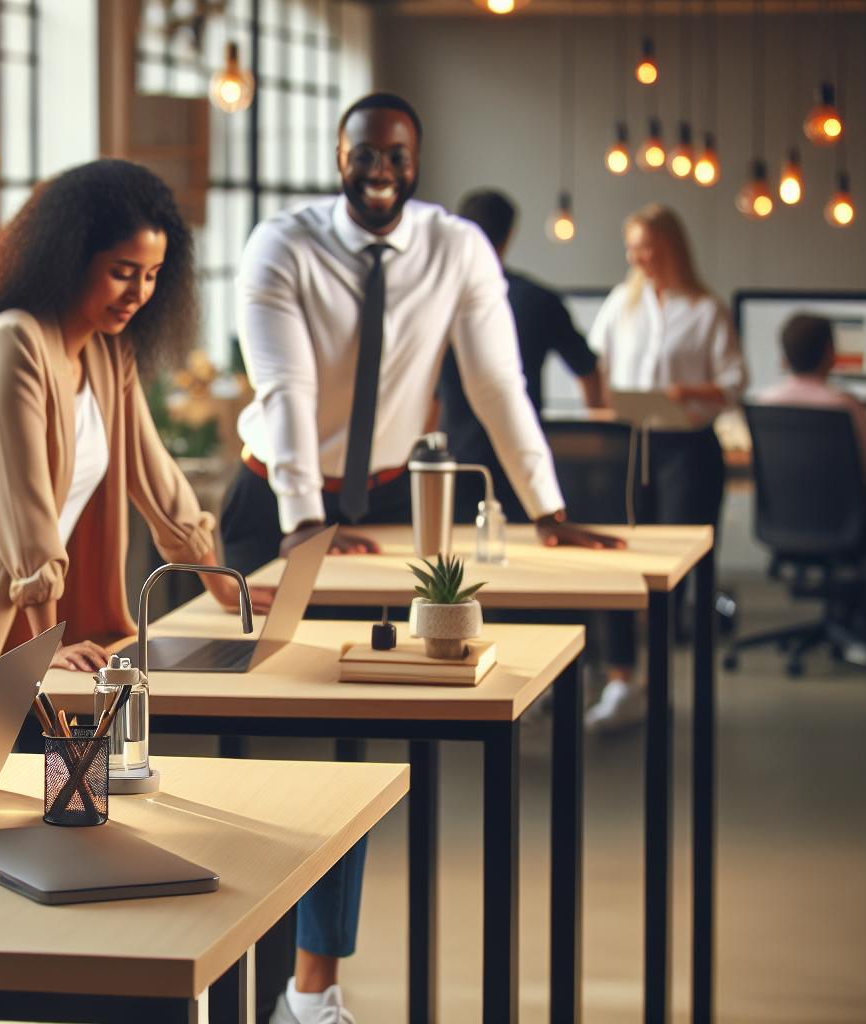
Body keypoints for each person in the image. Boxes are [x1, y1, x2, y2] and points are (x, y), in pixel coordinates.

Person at [228, 93, 622, 1024]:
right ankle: (232, 979)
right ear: (340, 154)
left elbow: (497, 383)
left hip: (388, 502)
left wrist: (550, 507)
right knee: (266, 759)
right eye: (365, 151)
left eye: (397, 155)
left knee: (352, 762)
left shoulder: (456, 248)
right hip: (272, 504)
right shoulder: (280, 244)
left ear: (416, 161)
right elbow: (282, 390)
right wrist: (300, 521)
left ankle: (308, 992)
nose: (380, 168)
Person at [0, 159, 263, 754]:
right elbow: (24, 523)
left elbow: (160, 485)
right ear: (72, 258)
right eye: (122, 272)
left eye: (153, 275)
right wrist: (46, 645)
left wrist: (222, 586)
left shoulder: (109, 354)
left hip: (46, 645)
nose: (140, 293)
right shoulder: (14, 344)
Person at [584, 203, 747, 731]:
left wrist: (687, 391)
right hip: (628, 446)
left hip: (687, 449)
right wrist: (598, 409)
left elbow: (735, 382)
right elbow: (595, 366)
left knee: (672, 573)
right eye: (631, 247)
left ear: (672, 247)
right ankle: (619, 679)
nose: (637, 257)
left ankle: (658, 683)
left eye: (646, 247)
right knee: (616, 563)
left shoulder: (705, 309)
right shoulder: (620, 303)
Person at [435, 188, 608, 522]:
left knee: (452, 567)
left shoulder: (438, 299)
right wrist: (600, 434)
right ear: (510, 234)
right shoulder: (539, 299)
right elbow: (587, 368)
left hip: (456, 459)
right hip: (520, 459)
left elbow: (429, 396)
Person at [757, 312, 866, 631]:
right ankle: (861, 614)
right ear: (830, 353)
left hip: (782, 531)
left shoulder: (765, 405)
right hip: (847, 530)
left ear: (784, 355)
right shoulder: (845, 407)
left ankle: (845, 613)